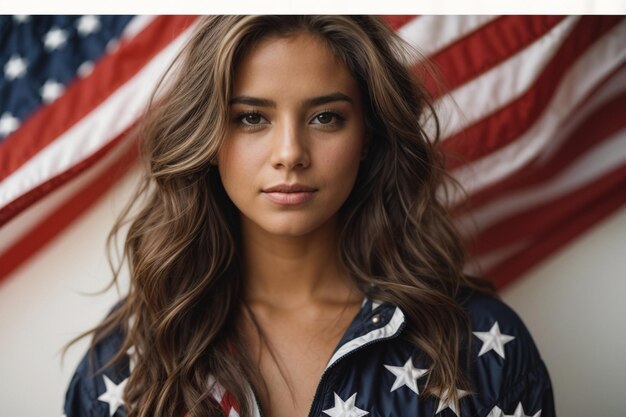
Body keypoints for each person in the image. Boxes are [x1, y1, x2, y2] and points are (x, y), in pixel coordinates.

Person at [63, 16, 555, 417]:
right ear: (208, 140)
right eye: (251, 118)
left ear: (368, 138)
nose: (290, 153)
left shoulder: (480, 343)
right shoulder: (129, 357)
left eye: (326, 117)